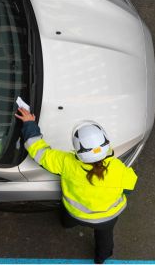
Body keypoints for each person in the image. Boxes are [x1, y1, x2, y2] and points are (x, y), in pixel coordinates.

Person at [14, 107, 138, 264]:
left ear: (77, 148)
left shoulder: (66, 163)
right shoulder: (119, 169)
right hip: (106, 217)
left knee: (67, 219)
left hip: (74, 213)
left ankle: (66, 225)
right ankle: (101, 258)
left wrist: (30, 124)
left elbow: (40, 153)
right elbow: (129, 188)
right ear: (106, 142)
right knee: (105, 238)